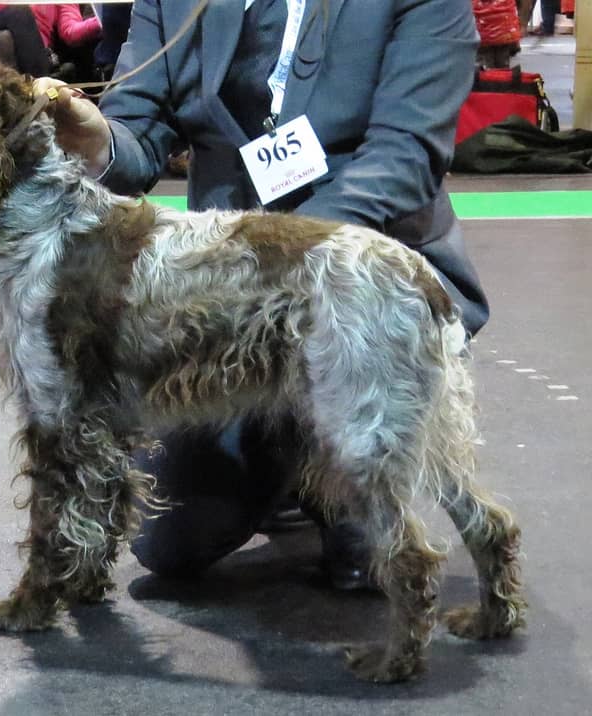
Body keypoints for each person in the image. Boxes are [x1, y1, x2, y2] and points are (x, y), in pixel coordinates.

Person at [33, 0, 488, 588]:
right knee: (169, 543)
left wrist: (277, 260)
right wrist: (99, 141)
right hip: (229, 301)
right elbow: (137, 133)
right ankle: (293, 465)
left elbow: (404, 155)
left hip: (365, 282)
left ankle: (324, 472)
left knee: (368, 530)